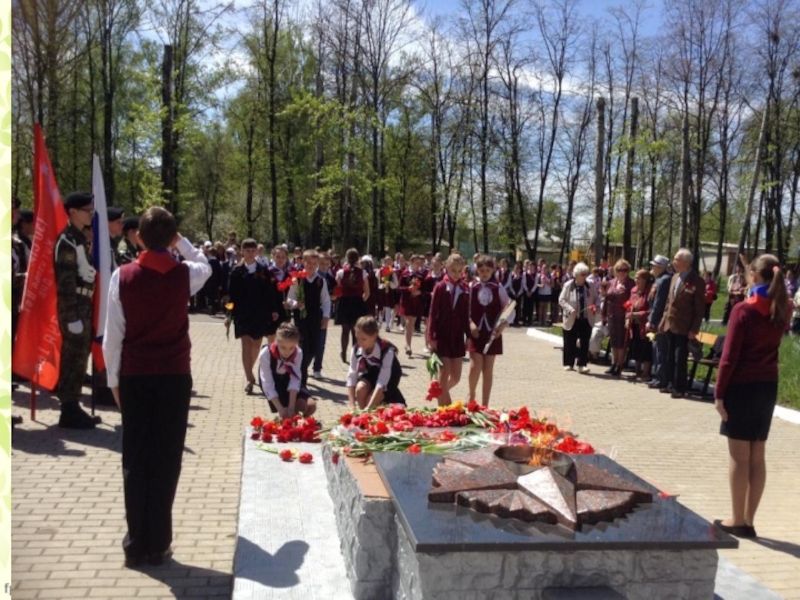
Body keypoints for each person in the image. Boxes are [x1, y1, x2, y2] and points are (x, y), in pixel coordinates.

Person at [102, 206, 211, 567]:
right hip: (174, 376)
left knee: (136, 458)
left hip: (135, 375)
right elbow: (206, 265)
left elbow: (113, 338)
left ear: (138, 237)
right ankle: (159, 541)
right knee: (166, 458)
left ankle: (137, 542)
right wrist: (182, 242)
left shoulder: (122, 276)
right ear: (172, 238)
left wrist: (113, 381)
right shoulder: (184, 274)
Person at [713, 255, 790, 539]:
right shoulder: (783, 308)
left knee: (739, 457)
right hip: (767, 387)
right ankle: (749, 519)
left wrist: (719, 394)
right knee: (758, 455)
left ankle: (736, 520)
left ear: (754, 277)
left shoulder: (743, 310)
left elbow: (728, 358)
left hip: (741, 386)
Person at [54, 191, 102, 429]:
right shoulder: (67, 241)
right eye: (87, 210)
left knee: (81, 357)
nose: (91, 214)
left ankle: (73, 405)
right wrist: (72, 316)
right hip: (73, 307)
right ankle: (68, 408)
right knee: (73, 358)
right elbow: (65, 282)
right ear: (72, 212)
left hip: (84, 304)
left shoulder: (80, 239)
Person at [228, 239, 279, 394]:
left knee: (256, 344)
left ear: (257, 251)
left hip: (259, 313)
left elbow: (270, 292)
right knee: (246, 345)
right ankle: (249, 378)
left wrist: (274, 310)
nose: (250, 254)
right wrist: (228, 314)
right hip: (242, 313)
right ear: (241, 252)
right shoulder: (236, 271)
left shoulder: (264, 271)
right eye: (247, 250)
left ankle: (249, 370)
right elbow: (230, 296)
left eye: (252, 251)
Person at [658, 248, 706, 399]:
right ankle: (670, 383)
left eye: (677, 260)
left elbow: (699, 309)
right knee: (670, 356)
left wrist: (694, 329)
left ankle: (679, 388)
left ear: (686, 262)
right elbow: (668, 302)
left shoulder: (697, 281)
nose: (674, 262)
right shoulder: (675, 277)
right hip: (670, 324)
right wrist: (663, 320)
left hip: (685, 327)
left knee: (680, 358)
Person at [467, 255, 513, 405]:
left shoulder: (498, 287)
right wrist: (470, 323)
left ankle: (485, 404)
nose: (484, 273)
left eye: (487, 270)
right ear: (477, 270)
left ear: (493, 270)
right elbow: (465, 309)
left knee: (488, 370)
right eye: (481, 270)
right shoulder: (471, 286)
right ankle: (471, 396)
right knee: (475, 367)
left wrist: (503, 326)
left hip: (492, 333)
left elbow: (509, 308)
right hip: (476, 332)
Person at [427, 253, 471, 406]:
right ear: (446, 267)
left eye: (459, 271)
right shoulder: (440, 286)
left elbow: (466, 314)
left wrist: (468, 336)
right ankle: (442, 409)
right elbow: (432, 312)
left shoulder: (464, 288)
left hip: (457, 335)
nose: (456, 274)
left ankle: (440, 391)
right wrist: (430, 336)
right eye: (453, 270)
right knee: (444, 372)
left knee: (456, 377)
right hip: (442, 334)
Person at [287, 250, 331, 389]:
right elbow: (290, 298)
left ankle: (299, 370)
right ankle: (302, 382)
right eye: (308, 263)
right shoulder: (297, 280)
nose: (311, 266)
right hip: (301, 318)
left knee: (313, 348)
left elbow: (326, 301)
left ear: (317, 264)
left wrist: (326, 316)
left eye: (314, 263)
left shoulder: (321, 281)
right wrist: (296, 304)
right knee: (303, 347)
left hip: (315, 318)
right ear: (303, 262)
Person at [258, 322, 317, 418]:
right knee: (285, 413)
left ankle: (301, 422)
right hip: (274, 382)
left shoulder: (298, 353)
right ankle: (290, 421)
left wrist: (291, 407)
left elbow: (295, 379)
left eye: (291, 348)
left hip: (288, 380)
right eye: (283, 347)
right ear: (276, 341)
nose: (287, 352)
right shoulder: (266, 354)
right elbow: (267, 383)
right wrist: (280, 409)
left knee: (311, 406)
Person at [346, 316, 406, 409]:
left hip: (389, 379)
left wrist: (368, 408)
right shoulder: (356, 349)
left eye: (363, 339)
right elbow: (352, 376)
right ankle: (362, 415)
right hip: (371, 374)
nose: (359, 343)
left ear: (374, 336)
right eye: (357, 338)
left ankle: (368, 414)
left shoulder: (387, 351)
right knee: (360, 389)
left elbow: (381, 383)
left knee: (370, 400)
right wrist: (352, 405)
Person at [559, 262, 599, 373]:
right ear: (576, 274)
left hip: (586, 318)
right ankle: (568, 363)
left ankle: (582, 364)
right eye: (582, 274)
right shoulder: (568, 285)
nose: (585, 276)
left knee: (584, 342)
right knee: (569, 341)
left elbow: (597, 298)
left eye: (586, 273)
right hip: (572, 318)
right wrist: (569, 309)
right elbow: (561, 300)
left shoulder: (590, 285)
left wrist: (596, 306)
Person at [335, 248, 370, 362]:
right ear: (357, 258)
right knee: (356, 331)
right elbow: (367, 292)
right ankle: (355, 354)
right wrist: (361, 300)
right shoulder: (363, 273)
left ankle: (343, 352)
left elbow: (337, 289)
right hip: (357, 303)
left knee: (345, 331)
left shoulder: (341, 272)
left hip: (344, 302)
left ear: (346, 258)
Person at [602, 259, 634, 376]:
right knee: (613, 340)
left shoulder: (631, 283)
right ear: (616, 270)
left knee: (621, 342)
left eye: (625, 270)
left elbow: (632, 300)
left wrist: (628, 313)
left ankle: (620, 364)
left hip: (623, 316)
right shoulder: (611, 282)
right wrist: (604, 314)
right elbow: (606, 298)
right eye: (619, 269)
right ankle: (613, 363)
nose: (622, 272)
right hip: (611, 315)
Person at [646, 255, 672, 390]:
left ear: (660, 267)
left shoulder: (664, 280)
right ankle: (657, 376)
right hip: (656, 319)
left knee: (660, 350)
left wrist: (651, 320)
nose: (652, 268)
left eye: (654, 266)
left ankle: (661, 378)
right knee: (656, 348)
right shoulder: (659, 279)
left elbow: (659, 303)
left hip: (659, 320)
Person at [627, 269, 654, 382]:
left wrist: (637, 314)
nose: (636, 280)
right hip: (634, 324)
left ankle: (645, 373)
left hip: (645, 325)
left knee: (646, 349)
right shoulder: (634, 290)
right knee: (636, 348)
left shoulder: (650, 292)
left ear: (645, 280)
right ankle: (637, 371)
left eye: (639, 278)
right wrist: (628, 315)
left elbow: (651, 310)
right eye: (636, 277)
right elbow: (629, 304)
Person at [398, 254, 426, 356]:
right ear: (411, 262)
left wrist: (419, 292)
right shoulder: (405, 274)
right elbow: (399, 288)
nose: (418, 265)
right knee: (409, 322)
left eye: (420, 263)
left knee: (411, 324)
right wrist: (408, 289)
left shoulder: (421, 275)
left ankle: (407, 344)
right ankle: (408, 346)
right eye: (416, 263)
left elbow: (425, 290)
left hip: (416, 303)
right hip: (406, 302)